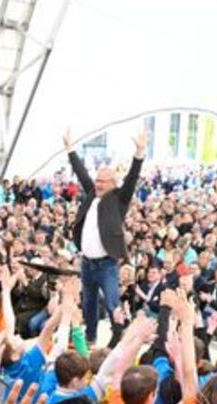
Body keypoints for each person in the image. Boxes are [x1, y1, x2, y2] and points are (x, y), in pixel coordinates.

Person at [63, 128, 147, 346]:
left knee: (112, 303)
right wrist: (70, 149)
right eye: (97, 180)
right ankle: (90, 338)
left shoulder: (119, 200)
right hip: (87, 263)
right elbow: (81, 173)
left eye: (104, 181)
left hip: (106, 264)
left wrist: (139, 152)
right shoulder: (92, 194)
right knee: (89, 303)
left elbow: (132, 178)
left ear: (113, 184)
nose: (98, 184)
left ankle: (119, 336)